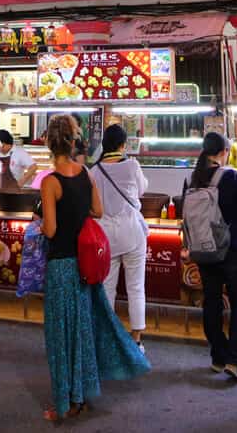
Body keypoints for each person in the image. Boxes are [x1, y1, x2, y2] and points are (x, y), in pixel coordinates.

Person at [40, 115, 149, 422]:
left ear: (50, 143)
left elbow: (49, 230)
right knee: (82, 332)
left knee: (61, 338)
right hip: (84, 265)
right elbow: (97, 212)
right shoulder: (85, 174)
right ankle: (82, 395)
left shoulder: (50, 182)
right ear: (73, 142)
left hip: (61, 267)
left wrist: (43, 219)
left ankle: (67, 403)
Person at [190, 131, 237, 381]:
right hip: (231, 250)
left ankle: (218, 357)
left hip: (204, 250)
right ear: (223, 152)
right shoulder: (231, 176)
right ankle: (235, 360)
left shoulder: (194, 177)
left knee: (212, 302)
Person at [92, 124, 150, 353]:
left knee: (107, 287)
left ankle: (107, 337)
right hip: (132, 231)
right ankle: (136, 339)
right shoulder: (132, 165)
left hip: (105, 234)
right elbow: (142, 190)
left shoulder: (93, 171)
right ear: (123, 145)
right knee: (136, 287)